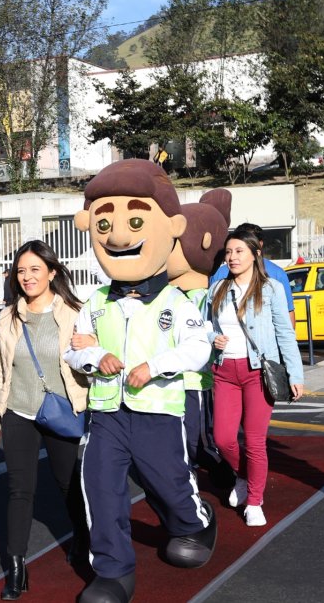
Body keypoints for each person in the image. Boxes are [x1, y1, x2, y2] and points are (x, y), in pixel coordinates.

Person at [62, 159, 216, 603]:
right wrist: (95, 356)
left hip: (157, 411)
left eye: (133, 222)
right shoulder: (94, 301)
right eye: (106, 223)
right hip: (107, 412)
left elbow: (198, 348)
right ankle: (112, 572)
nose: (119, 236)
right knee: (100, 489)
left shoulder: (177, 300)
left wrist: (157, 365)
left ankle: (195, 523)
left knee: (169, 484)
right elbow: (75, 348)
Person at [0, 240, 90, 600]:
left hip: (61, 411)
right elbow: (0, 369)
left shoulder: (75, 312)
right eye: (21, 270)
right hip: (18, 412)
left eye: (34, 270)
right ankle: (16, 568)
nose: (27, 277)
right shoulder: (8, 316)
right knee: (19, 491)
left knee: (68, 484)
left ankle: (85, 540)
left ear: (52, 272)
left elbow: (89, 362)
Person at [206, 230, 306, 527]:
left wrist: (295, 373)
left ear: (254, 254)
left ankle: (254, 500)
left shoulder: (271, 288)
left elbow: (285, 334)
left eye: (238, 251)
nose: (232, 257)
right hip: (224, 371)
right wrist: (213, 338)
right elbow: (205, 326)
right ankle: (244, 476)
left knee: (254, 441)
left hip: (256, 372)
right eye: (228, 252)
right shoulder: (217, 289)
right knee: (223, 439)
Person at [165, 189, 237, 490]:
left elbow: (207, 325)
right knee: (182, 435)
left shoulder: (201, 294)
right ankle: (190, 477)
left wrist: (212, 337)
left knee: (201, 437)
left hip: (196, 380)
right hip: (172, 379)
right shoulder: (167, 294)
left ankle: (231, 475)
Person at [210, 222, 296, 325]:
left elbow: (287, 315)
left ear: (259, 246)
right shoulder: (219, 277)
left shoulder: (277, 276)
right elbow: (209, 317)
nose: (233, 257)